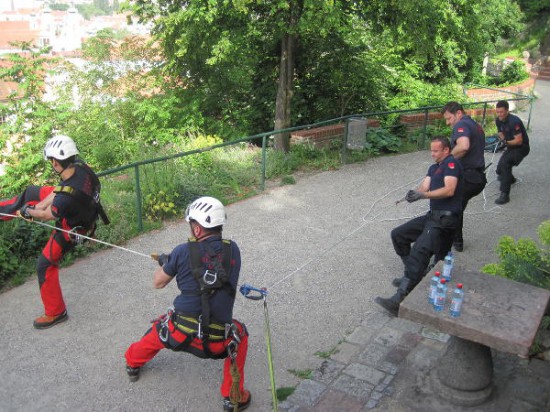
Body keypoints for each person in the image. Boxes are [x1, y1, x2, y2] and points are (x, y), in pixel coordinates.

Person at [124, 196, 251, 412]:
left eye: (192, 224)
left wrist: (170, 262)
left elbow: (158, 282)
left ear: (198, 229)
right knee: (240, 335)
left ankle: (132, 363)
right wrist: (174, 259)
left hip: (179, 333)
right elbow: (209, 263)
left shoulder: (182, 251)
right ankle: (233, 397)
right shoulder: (234, 250)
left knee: (159, 329)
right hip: (218, 340)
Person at [0, 135, 105, 329]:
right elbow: (61, 189)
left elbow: (48, 215)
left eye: (51, 161)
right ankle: (3, 210)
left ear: (56, 162)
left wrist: (28, 211)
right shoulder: (81, 168)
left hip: (72, 228)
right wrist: (36, 204)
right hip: (81, 209)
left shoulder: (65, 199)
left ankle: (56, 312)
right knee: (31, 192)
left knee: (44, 264)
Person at [375, 137, 463, 317]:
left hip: (445, 219)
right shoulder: (433, 167)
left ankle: (399, 299)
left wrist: (422, 196)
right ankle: (413, 275)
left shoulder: (451, 165)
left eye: (436, 151)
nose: (432, 154)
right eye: (431, 150)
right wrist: (414, 193)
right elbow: (424, 186)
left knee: (420, 250)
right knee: (398, 235)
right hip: (432, 216)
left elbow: (449, 190)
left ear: (446, 150)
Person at [441, 101, 487, 252]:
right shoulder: (474, 124)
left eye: (449, 118)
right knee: (456, 206)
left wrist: (446, 159)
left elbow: (463, 146)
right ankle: (456, 241)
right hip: (476, 176)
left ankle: (448, 242)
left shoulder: (461, 125)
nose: (448, 123)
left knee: (449, 205)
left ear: (458, 113)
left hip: (470, 176)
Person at [494, 100, 530, 205]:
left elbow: (518, 141)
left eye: (502, 112)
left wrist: (506, 142)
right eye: (498, 112)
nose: (500, 114)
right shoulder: (498, 120)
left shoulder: (514, 121)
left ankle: (505, 195)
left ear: (507, 111)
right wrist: (503, 141)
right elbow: (500, 132)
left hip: (521, 147)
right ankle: (510, 179)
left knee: (505, 164)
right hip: (511, 146)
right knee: (499, 171)